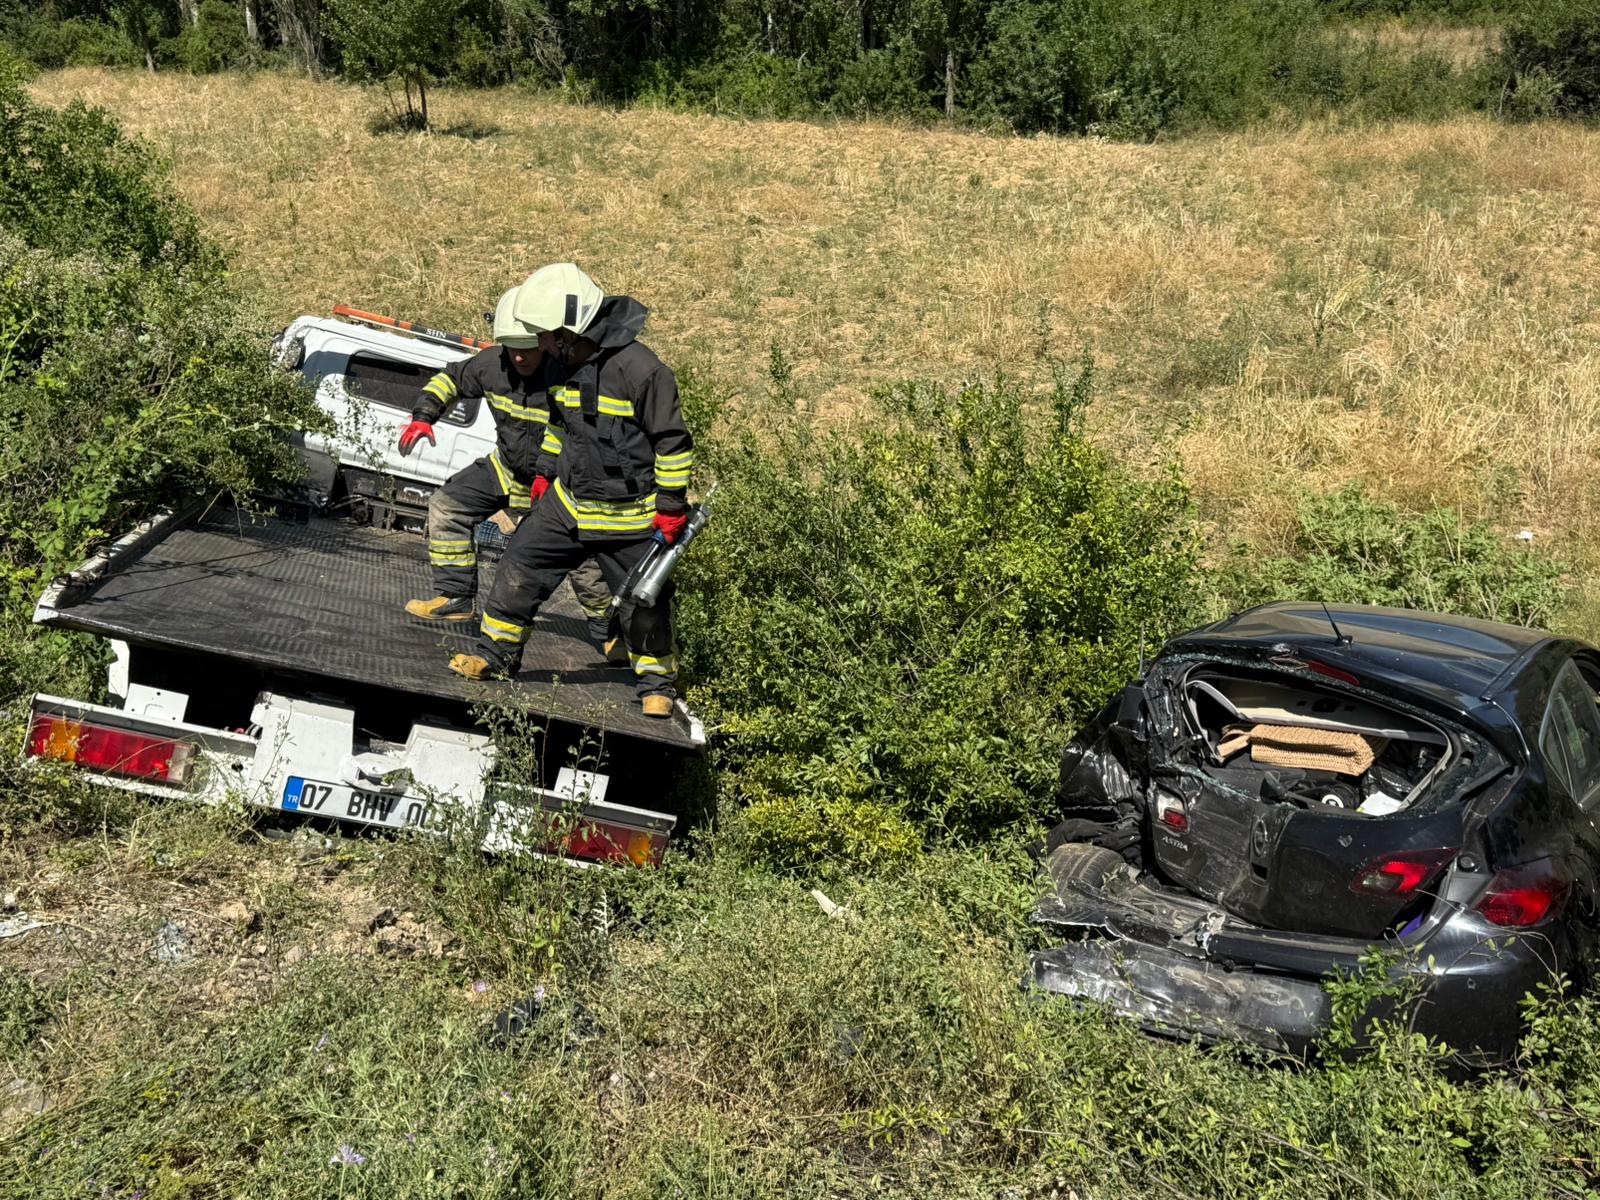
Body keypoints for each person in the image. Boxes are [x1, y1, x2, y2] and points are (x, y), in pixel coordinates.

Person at [447, 263, 693, 719]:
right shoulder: (564, 367)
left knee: (646, 601)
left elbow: (673, 443)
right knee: (520, 562)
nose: (539, 344)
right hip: (569, 503)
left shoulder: (644, 372)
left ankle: (656, 684)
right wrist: (543, 473)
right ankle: (496, 657)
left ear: (570, 329)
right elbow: (561, 426)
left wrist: (671, 506)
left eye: (544, 334)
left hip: (630, 515)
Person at [400, 285, 620, 656]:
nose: (519, 358)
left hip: (555, 484)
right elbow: (449, 379)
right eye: (511, 349)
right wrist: (424, 417)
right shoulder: (489, 365)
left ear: (547, 341)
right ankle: (455, 596)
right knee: (446, 507)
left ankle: (610, 634)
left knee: (580, 560)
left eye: (528, 349)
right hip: (507, 470)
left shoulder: (567, 376)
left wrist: (554, 476)